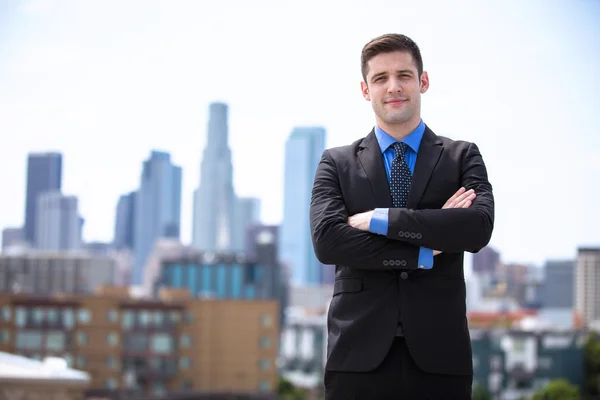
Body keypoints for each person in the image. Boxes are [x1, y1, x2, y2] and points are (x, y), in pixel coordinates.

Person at [309, 33, 494, 399]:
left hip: (441, 357)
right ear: (366, 90)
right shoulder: (337, 163)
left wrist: (382, 219)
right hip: (356, 357)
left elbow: (476, 228)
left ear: (423, 81)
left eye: (404, 75)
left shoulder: (462, 157)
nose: (393, 87)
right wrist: (426, 247)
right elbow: (328, 241)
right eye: (380, 78)